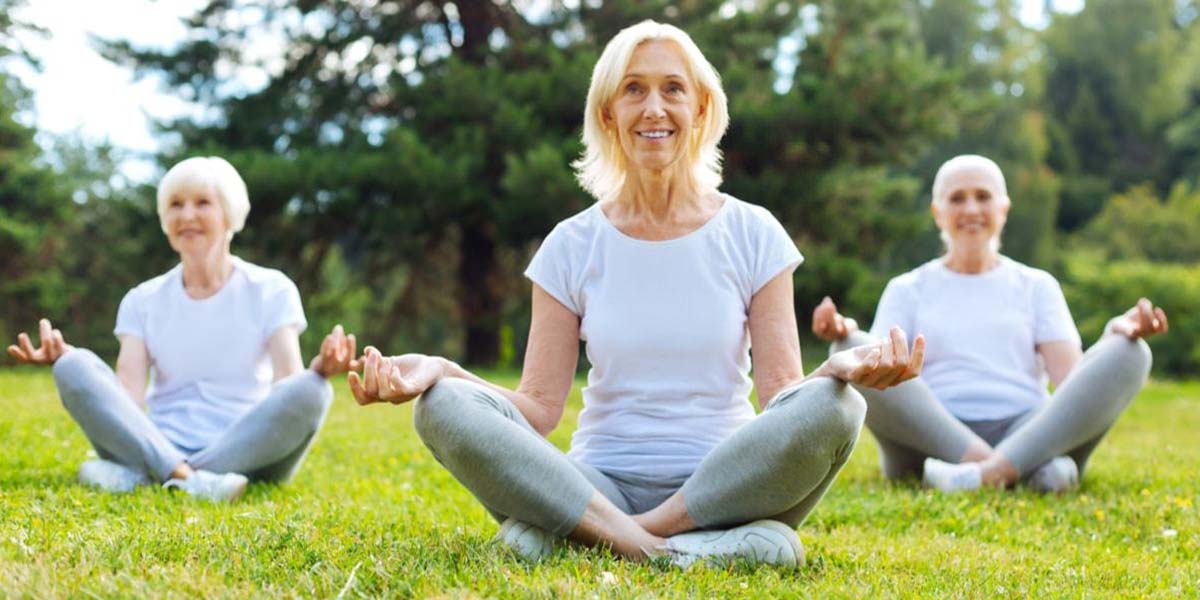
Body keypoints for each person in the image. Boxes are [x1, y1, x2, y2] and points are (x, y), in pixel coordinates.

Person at [345, 20, 925, 568]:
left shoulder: (754, 232)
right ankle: (676, 548)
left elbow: (782, 398)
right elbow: (538, 411)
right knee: (441, 404)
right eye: (633, 90)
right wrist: (443, 369)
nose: (654, 108)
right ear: (609, 112)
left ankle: (597, 539)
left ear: (700, 108)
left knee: (839, 406)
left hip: (727, 484)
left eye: (673, 89)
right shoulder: (570, 245)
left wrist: (837, 370)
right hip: (598, 487)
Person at [7, 156, 359, 502]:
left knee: (314, 390)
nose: (187, 215)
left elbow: (287, 384)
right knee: (73, 365)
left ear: (229, 214)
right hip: (161, 442)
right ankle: (189, 480)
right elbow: (128, 397)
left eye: (202, 203)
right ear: (165, 219)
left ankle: (143, 478)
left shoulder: (272, 289)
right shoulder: (141, 300)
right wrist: (75, 368)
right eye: (175, 205)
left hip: (249, 454)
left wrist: (320, 371)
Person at [811, 154, 1167, 493]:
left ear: (1003, 208)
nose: (971, 209)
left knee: (1131, 352)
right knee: (850, 349)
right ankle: (1020, 471)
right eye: (957, 199)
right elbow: (883, 375)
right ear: (938, 213)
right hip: (932, 437)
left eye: (983, 197)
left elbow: (1071, 383)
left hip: (1026, 429)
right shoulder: (906, 289)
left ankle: (983, 474)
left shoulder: (1037, 286)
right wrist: (846, 338)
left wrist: (1112, 339)